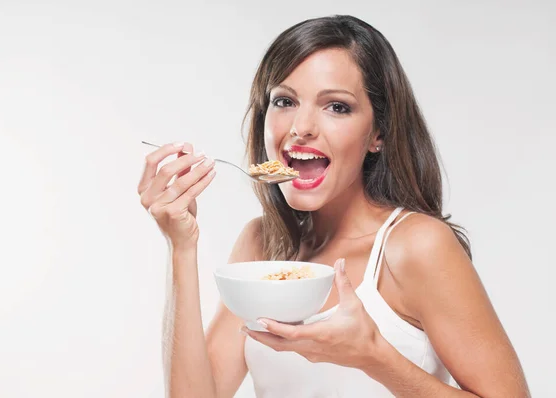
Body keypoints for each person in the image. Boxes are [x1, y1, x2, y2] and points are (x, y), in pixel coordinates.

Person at [137, 15, 530, 398]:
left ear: (378, 133)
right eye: (285, 100)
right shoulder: (262, 244)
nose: (301, 127)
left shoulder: (417, 246)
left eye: (337, 106)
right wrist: (180, 245)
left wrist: (374, 357)